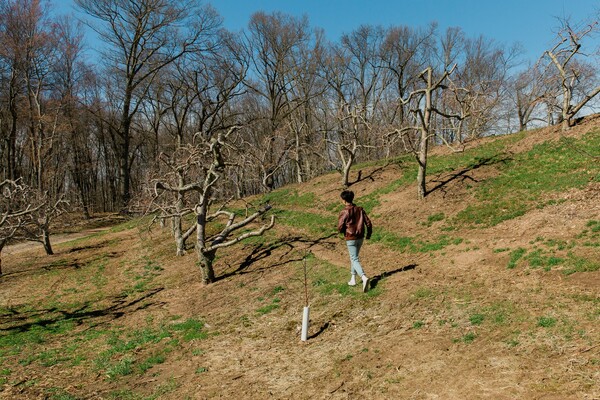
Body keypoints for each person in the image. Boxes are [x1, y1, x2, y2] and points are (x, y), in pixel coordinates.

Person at [337, 190, 373, 292]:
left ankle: (363, 277)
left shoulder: (344, 211)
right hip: (360, 237)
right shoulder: (360, 209)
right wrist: (368, 234)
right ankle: (353, 279)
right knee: (354, 257)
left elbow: (340, 227)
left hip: (350, 237)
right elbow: (368, 223)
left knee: (354, 258)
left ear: (344, 200)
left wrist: (343, 231)